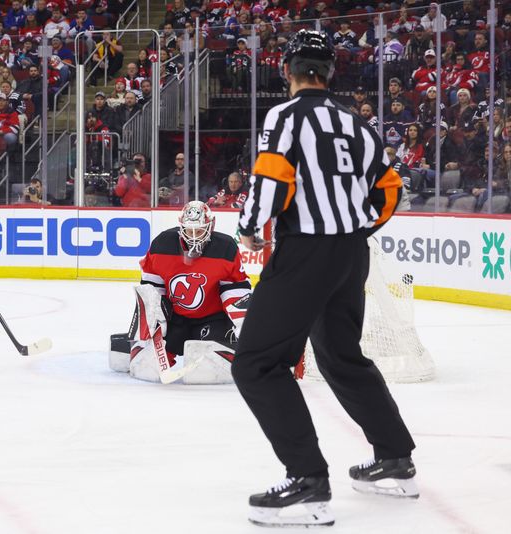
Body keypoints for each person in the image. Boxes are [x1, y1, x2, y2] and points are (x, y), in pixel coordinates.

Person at [231, 30, 414, 528]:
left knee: (256, 364)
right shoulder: (358, 124)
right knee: (341, 354)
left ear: (287, 71)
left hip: (306, 252)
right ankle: (395, 457)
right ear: (328, 73)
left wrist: (249, 230)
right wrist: (353, 230)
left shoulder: (283, 117)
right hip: (350, 253)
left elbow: (270, 180)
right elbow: (390, 190)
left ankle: (308, 479)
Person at [109, 201, 252, 383]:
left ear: (210, 226)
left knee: (205, 372)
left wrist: (242, 321)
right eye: (188, 230)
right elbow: (151, 287)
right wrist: (157, 317)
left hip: (212, 319)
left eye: (199, 231)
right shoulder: (162, 244)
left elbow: (234, 289)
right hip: (175, 319)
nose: (193, 237)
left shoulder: (225, 248)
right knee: (147, 369)